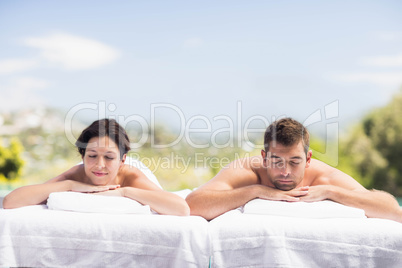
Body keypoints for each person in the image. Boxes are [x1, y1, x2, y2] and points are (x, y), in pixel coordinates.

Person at [186, 117, 402, 222]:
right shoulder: (247, 171)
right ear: (264, 157)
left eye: (294, 162)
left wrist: (331, 192)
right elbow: (192, 204)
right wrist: (256, 191)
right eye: (277, 161)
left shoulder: (324, 177)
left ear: (308, 159)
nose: (286, 171)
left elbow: (392, 210)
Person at [3, 119, 190, 216]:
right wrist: (68, 185)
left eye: (109, 157)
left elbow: (181, 208)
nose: (100, 165)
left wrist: (124, 192)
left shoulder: (131, 176)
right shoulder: (77, 174)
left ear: (122, 159)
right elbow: (11, 201)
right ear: (82, 156)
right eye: (92, 156)